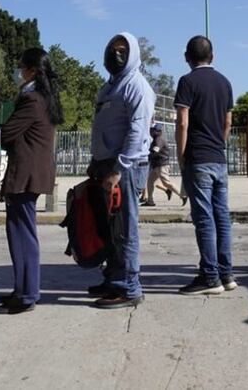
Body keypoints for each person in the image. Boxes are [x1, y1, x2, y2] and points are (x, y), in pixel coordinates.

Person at [87, 32, 155, 309]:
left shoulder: (136, 86)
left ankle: (129, 287)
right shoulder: (110, 86)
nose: (116, 54)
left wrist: (119, 167)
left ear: (133, 55)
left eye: (122, 50)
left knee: (125, 229)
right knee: (111, 229)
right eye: (112, 49)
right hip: (107, 165)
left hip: (125, 167)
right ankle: (113, 278)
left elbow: (138, 130)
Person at [0, 48, 62, 314]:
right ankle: (21, 290)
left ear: (32, 70)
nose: (18, 71)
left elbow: (7, 132)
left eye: (21, 66)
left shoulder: (32, 99)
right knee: (19, 232)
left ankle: (27, 294)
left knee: (22, 235)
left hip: (25, 175)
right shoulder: (42, 97)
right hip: (30, 173)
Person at [175, 36, 237, 295]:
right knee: (222, 216)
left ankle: (210, 277)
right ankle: (227, 273)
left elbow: (182, 123)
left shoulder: (187, 82)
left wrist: (181, 156)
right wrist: (219, 145)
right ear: (213, 56)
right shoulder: (225, 82)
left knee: (204, 219)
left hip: (198, 157)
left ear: (187, 56)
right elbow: (228, 123)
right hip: (218, 157)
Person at [144, 123, 185, 207]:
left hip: (161, 165)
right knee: (150, 181)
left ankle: (183, 196)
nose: (150, 131)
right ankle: (150, 201)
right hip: (157, 165)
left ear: (157, 131)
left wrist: (147, 157)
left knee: (166, 183)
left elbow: (156, 151)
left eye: (152, 130)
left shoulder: (159, 140)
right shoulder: (156, 139)